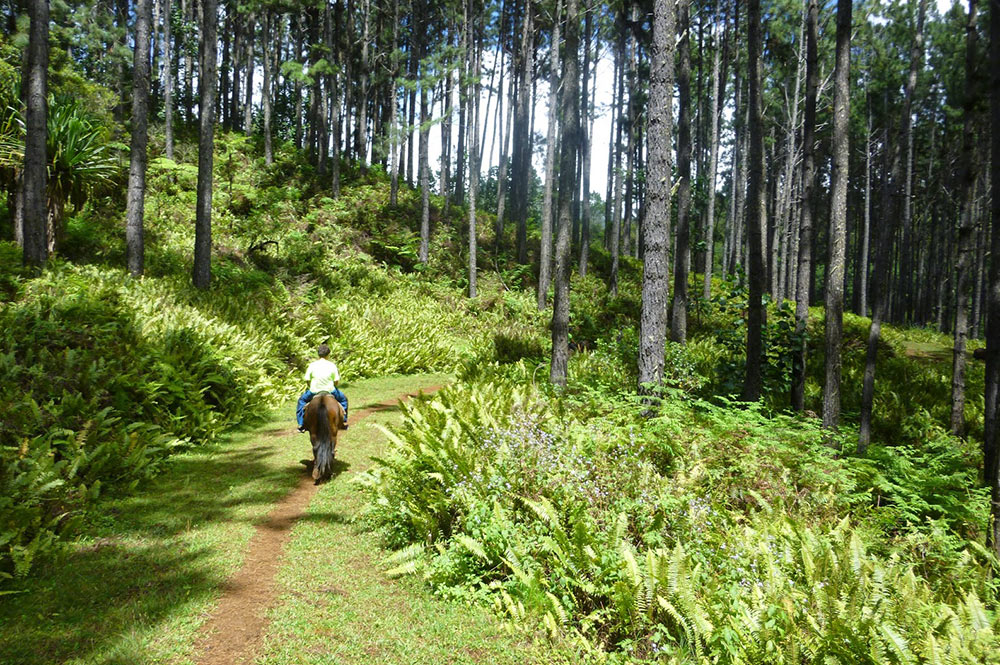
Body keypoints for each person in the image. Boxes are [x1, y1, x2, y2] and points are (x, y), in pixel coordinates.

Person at [296, 343, 348, 432]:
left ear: (318, 354)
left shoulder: (312, 365)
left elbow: (307, 379)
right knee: (343, 400)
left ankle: (301, 424)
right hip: (330, 390)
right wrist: (333, 386)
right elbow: (336, 381)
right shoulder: (332, 365)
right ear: (328, 354)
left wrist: (311, 386)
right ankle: (343, 421)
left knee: (302, 401)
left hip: (314, 391)